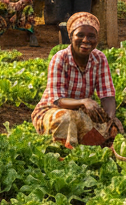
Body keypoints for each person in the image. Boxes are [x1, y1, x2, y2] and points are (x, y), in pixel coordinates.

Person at [32, 12, 121, 147]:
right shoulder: (60, 58)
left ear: (97, 39)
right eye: (80, 35)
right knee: (67, 118)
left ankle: (84, 146)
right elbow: (58, 100)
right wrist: (83, 101)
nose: (86, 40)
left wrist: (110, 119)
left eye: (91, 36)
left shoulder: (99, 58)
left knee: (114, 130)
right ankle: (65, 153)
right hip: (52, 111)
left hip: (81, 112)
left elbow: (107, 95)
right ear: (71, 36)